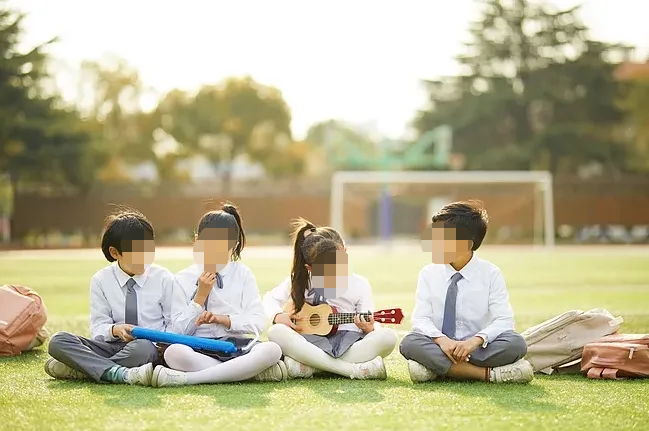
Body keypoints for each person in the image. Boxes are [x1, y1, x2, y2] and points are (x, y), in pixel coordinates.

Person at [151, 202, 284, 387]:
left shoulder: (243, 274)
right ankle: (243, 372)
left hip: (235, 346)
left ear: (234, 246)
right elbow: (176, 331)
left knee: (273, 350)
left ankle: (192, 379)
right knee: (174, 353)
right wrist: (199, 298)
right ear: (197, 241)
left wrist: (224, 319)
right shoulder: (182, 278)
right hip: (197, 346)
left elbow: (258, 322)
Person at [399, 200, 533, 383]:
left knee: (516, 344)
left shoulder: (490, 274)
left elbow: (504, 320)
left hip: (477, 348)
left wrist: (474, 341)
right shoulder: (428, 273)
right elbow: (421, 319)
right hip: (440, 345)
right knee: (410, 343)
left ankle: (437, 368)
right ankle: (487, 375)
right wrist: (442, 341)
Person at [45, 208, 173, 385]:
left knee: (143, 348)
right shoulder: (101, 280)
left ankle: (84, 370)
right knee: (58, 341)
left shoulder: (164, 278)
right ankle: (119, 372)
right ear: (115, 253)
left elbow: (173, 323)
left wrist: (158, 342)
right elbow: (98, 327)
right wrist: (115, 329)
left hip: (147, 347)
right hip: (110, 346)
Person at [263, 218, 397, 380]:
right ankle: (351, 370)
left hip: (348, 344)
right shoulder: (300, 280)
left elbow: (369, 324)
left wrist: (368, 328)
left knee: (388, 337)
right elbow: (269, 300)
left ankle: (312, 366)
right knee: (276, 332)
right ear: (310, 268)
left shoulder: (359, 284)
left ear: (345, 252)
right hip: (310, 342)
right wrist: (278, 316)